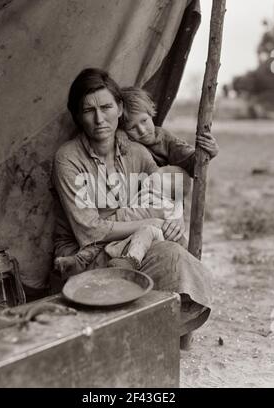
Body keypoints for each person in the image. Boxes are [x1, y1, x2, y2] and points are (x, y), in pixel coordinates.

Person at [52, 68, 212, 349]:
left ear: (119, 108)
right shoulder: (68, 158)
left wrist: (175, 219)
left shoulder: (136, 152)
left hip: (130, 248)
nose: (99, 119)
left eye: (106, 107)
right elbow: (89, 229)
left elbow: (166, 190)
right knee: (154, 249)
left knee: (176, 254)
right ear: (77, 116)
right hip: (84, 254)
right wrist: (153, 224)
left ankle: (148, 334)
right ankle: (127, 335)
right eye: (88, 110)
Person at [120, 86, 219, 176]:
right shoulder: (123, 140)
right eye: (132, 128)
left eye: (144, 121)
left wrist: (209, 152)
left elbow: (191, 162)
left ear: (150, 114)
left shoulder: (166, 139)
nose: (142, 130)